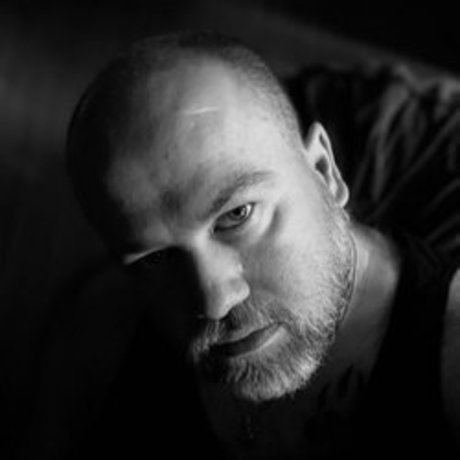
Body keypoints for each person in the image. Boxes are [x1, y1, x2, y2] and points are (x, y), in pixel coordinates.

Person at [65, 31, 460, 458]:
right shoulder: (118, 338)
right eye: (158, 257)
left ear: (325, 172)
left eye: (237, 215)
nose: (215, 301)